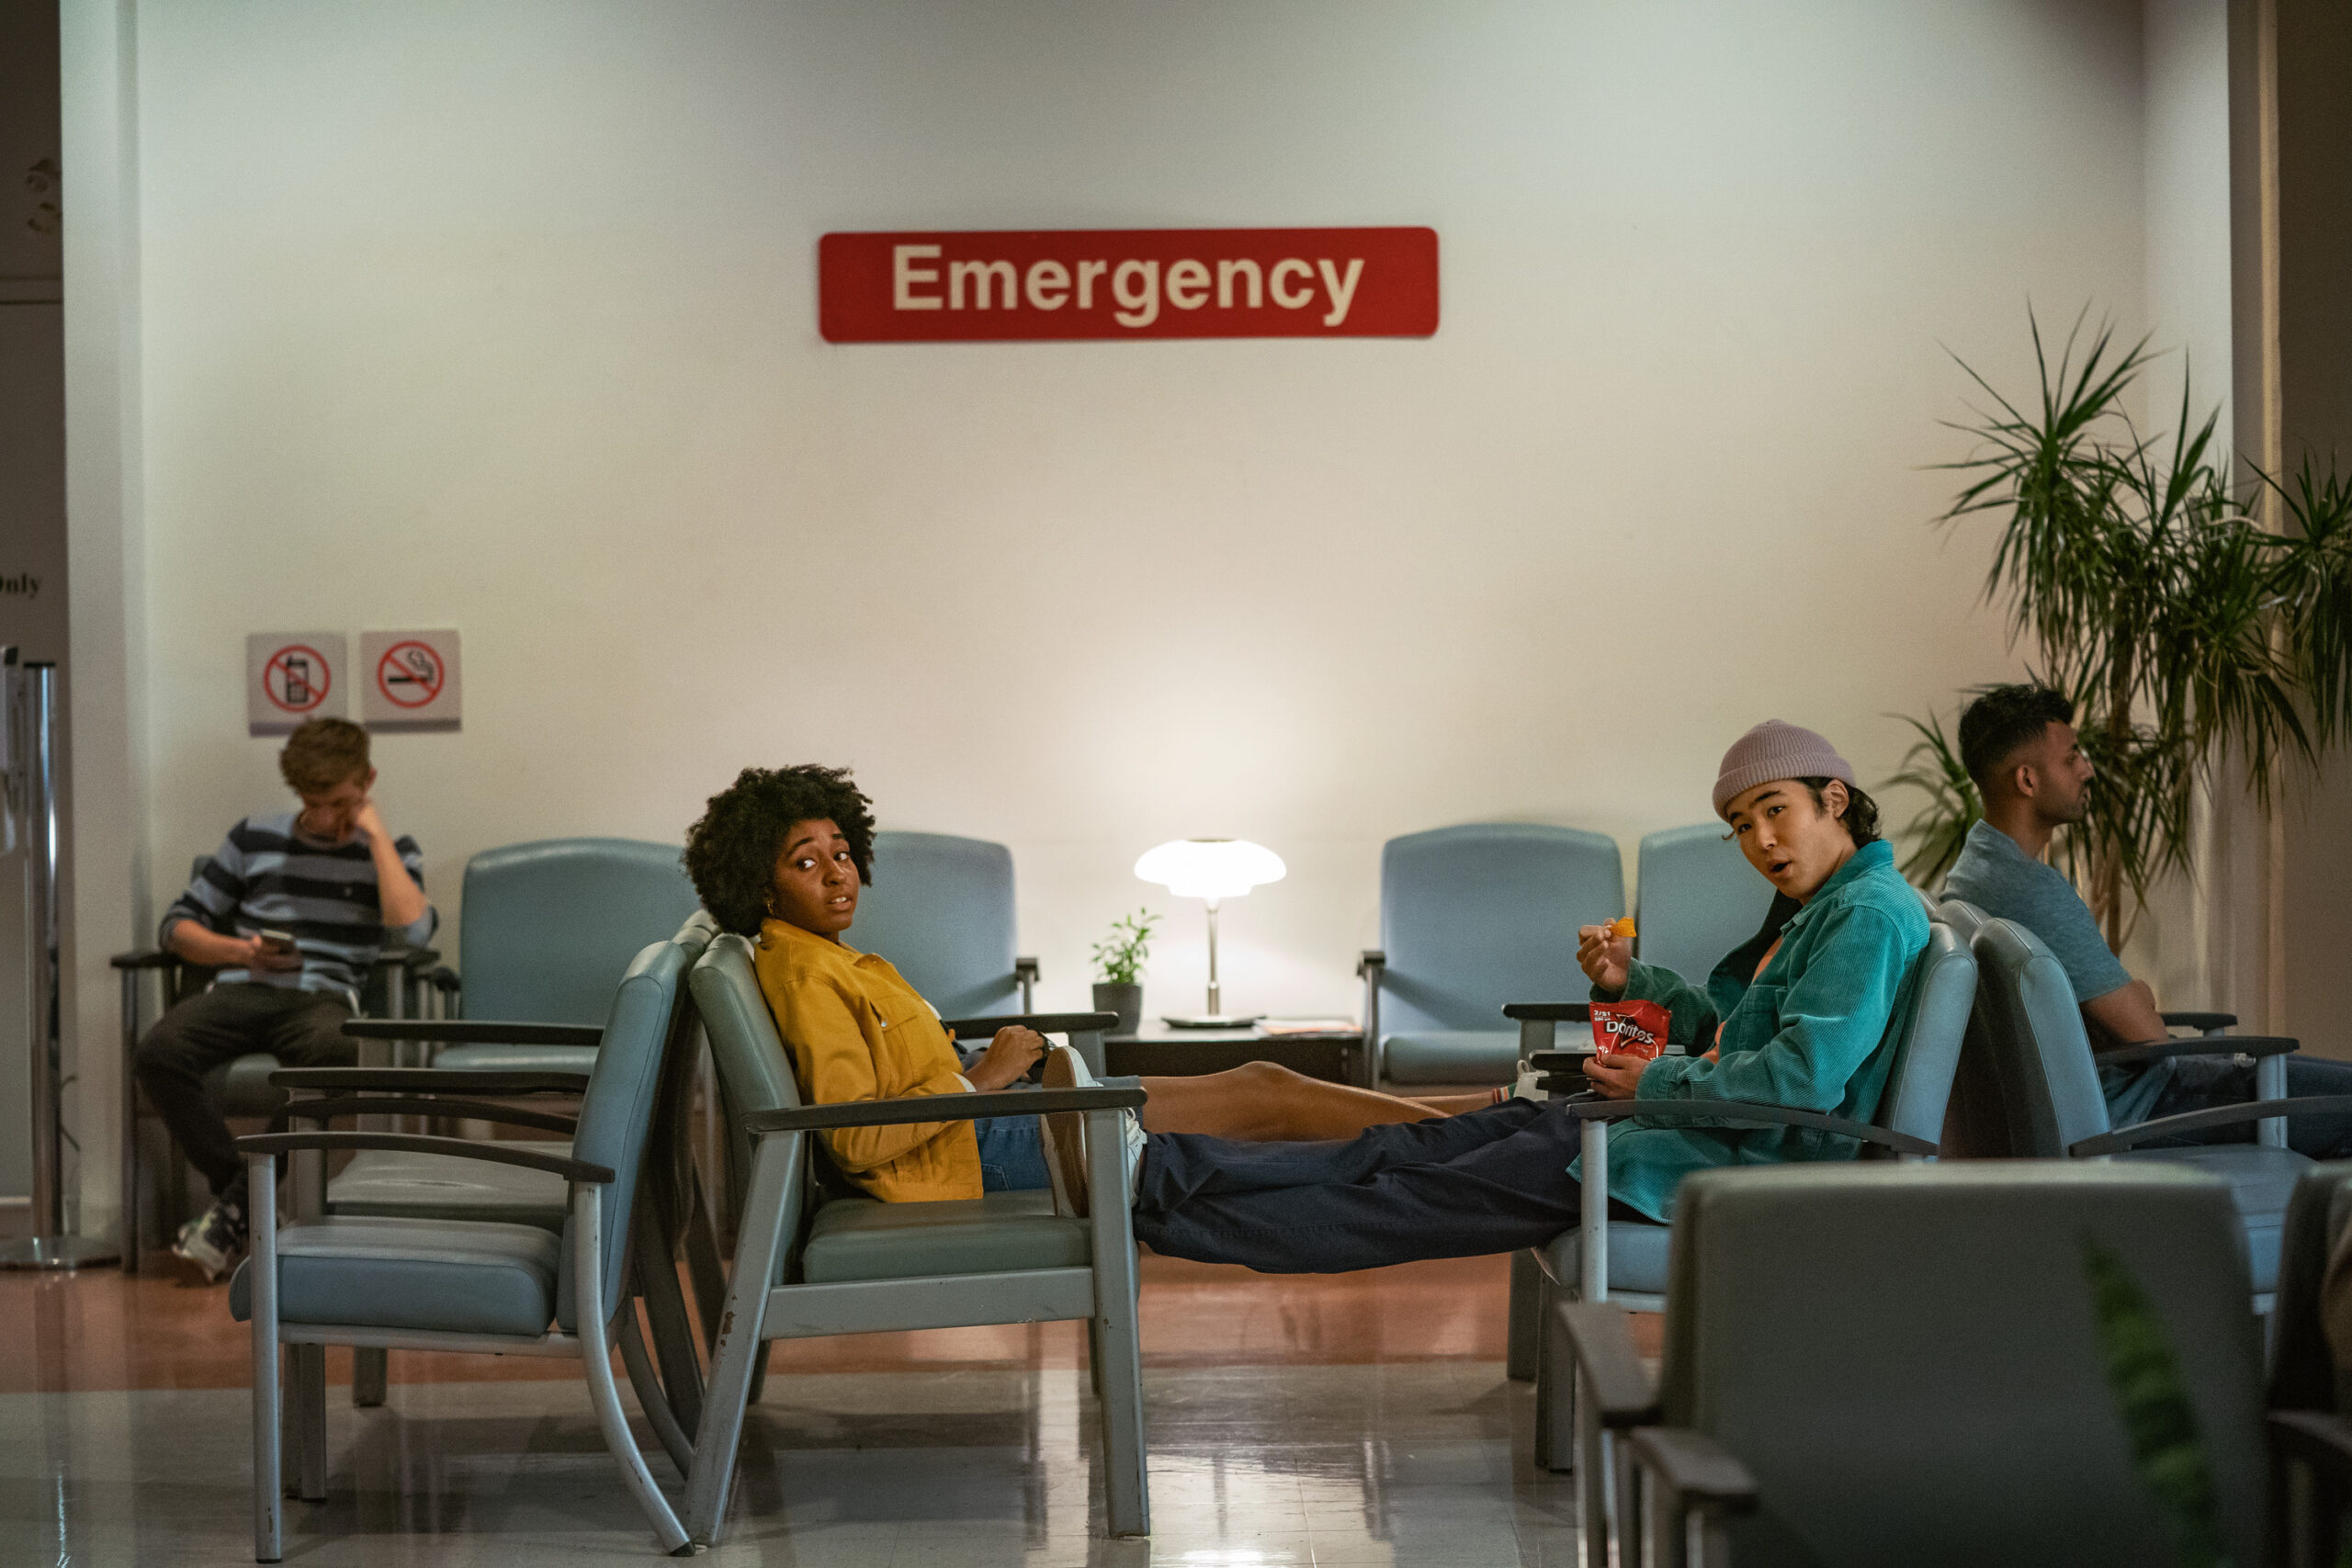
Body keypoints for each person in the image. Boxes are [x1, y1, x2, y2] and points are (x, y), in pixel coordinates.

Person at [681, 766, 1478, 1205]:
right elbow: (853, 1136)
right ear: (761, 885)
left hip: (996, 1123)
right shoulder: (804, 973)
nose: (838, 874)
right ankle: (1480, 1130)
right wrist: (985, 1077)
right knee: (1265, 1096)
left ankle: (1479, 1120)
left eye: (841, 852)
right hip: (983, 1148)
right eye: (806, 862)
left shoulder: (821, 955)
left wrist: (992, 1071)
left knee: (1263, 1086)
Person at [1944, 683, 2352, 1155]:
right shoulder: (2033, 891)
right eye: (2071, 757)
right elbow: (2148, 1034)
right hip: (2147, 1107)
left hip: (2118, 1099)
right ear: (2027, 780)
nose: (2087, 769)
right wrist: (2137, 995)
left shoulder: (1974, 872)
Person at [134, 718, 435, 1279]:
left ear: (367, 780)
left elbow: (414, 932)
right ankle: (243, 1200)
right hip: (244, 986)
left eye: (340, 802)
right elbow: (176, 926)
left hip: (322, 997)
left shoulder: (392, 851)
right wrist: (241, 951)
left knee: (337, 1054)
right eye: (313, 804)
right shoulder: (254, 837)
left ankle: (234, 1208)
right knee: (158, 1052)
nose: (324, 818)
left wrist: (374, 835)